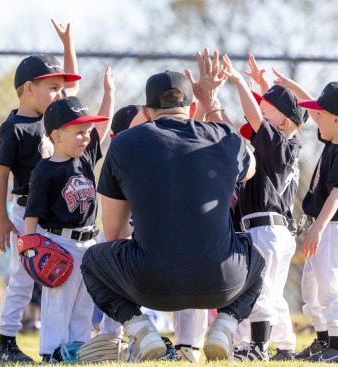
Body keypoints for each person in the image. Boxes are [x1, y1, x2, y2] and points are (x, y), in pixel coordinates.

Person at [80, 51, 266, 362]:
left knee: (92, 260)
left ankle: (141, 329)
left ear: (147, 111)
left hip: (149, 285)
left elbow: (112, 232)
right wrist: (212, 104)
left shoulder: (124, 143)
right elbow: (251, 167)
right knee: (257, 258)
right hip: (222, 282)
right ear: (192, 108)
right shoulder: (224, 138)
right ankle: (225, 324)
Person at [0, 19, 81, 363]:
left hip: (55, 213)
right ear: (28, 88)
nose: (60, 94)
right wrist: (2, 220)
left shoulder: (54, 119)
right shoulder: (13, 128)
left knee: (61, 276)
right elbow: (0, 176)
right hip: (24, 210)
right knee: (22, 278)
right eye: (52, 88)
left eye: (60, 88)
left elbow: (73, 93)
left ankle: (66, 343)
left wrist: (68, 43)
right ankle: (6, 343)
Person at [97, 104, 208, 363]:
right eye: (141, 128)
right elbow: (114, 230)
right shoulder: (121, 158)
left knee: (190, 261)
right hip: (138, 252)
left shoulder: (163, 154)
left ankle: (187, 348)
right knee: (108, 255)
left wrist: (203, 103)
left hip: (169, 254)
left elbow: (193, 137)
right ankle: (111, 339)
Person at [23, 74, 113, 360]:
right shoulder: (45, 170)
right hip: (58, 243)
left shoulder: (86, 157)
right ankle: (51, 352)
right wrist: (29, 241)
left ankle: (77, 351)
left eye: (86, 132)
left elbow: (104, 126)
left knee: (85, 303)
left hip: (88, 242)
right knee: (58, 303)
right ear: (57, 136)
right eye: (78, 132)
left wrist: (109, 93)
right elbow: (33, 210)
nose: (86, 137)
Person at [279, 79, 338, 364]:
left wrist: (317, 228)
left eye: (320, 114)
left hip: (331, 227)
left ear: (337, 119)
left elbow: (336, 195)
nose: (314, 118)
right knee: (311, 287)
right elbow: (321, 112)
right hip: (325, 226)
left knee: (330, 287)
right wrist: (290, 85)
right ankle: (322, 342)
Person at [230, 55, 309, 362]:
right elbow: (283, 115)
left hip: (265, 228)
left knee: (261, 290)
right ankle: (286, 347)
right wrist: (265, 86)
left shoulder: (277, 144)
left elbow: (259, 118)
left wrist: (239, 83)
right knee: (273, 295)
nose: (259, 120)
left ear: (284, 123)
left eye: (266, 114)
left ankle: (257, 348)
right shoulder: (291, 144)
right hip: (278, 231)